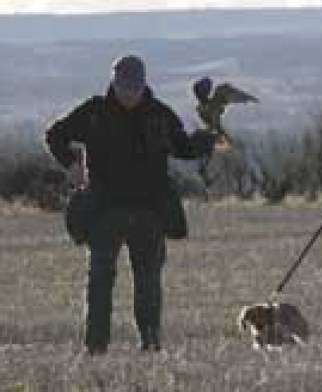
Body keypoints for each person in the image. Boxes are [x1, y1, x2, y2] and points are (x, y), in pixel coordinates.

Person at [45, 55, 218, 354]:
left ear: (143, 84)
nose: (129, 93)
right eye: (124, 87)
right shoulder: (94, 112)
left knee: (149, 286)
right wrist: (71, 164)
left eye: (134, 87)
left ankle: (150, 345)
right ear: (114, 82)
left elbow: (183, 148)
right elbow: (54, 135)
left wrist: (203, 142)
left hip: (149, 211)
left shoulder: (160, 115)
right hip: (104, 210)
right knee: (99, 283)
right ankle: (96, 347)